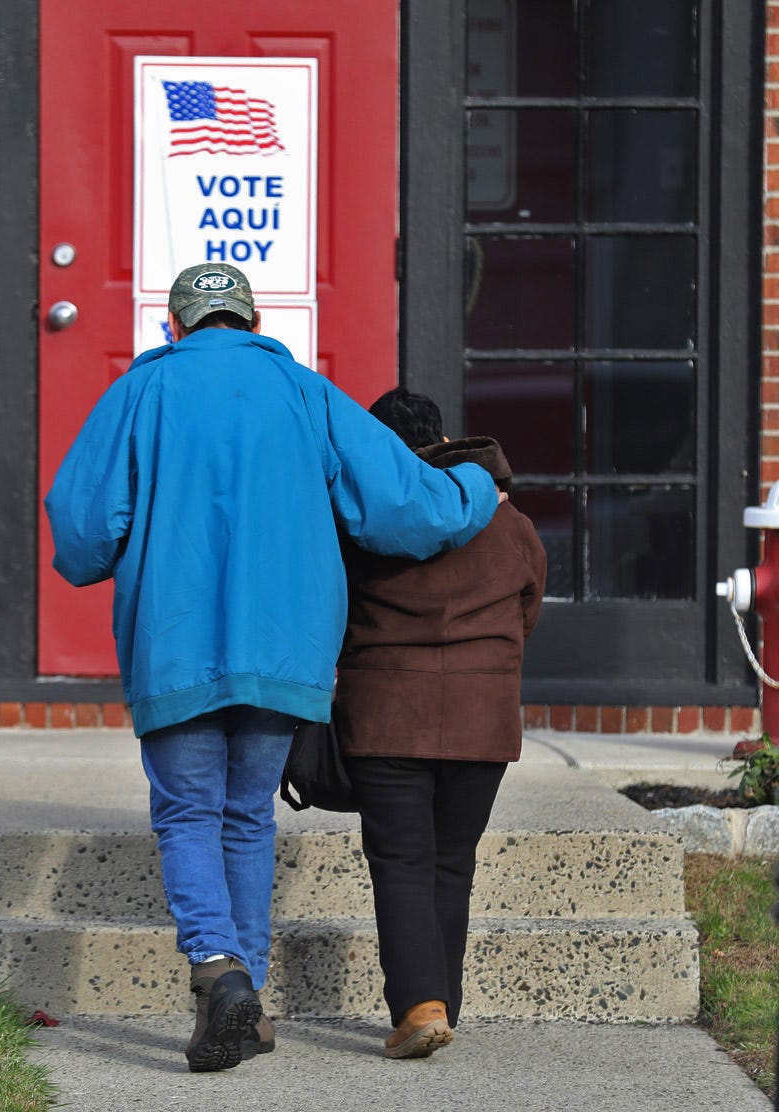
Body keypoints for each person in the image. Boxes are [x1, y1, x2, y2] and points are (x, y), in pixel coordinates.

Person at [44, 265, 502, 1073]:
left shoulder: (139, 394)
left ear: (175, 327)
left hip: (177, 643)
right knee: (248, 814)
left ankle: (219, 968)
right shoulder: (303, 390)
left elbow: (82, 536)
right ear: (253, 319)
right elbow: (402, 507)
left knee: (188, 812)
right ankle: (247, 1008)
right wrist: (475, 483)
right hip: (288, 649)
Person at [334, 386, 548, 1059]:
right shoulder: (507, 519)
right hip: (481, 723)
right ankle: (440, 1003)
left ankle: (421, 1008)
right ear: (446, 434)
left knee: (401, 861)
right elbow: (528, 608)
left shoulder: (365, 517)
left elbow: (331, 612)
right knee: (451, 863)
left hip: (386, 715)